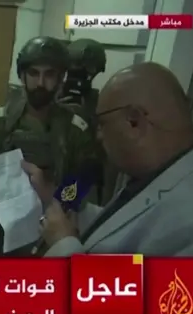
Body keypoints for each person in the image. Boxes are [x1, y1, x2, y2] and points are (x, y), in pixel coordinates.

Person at [28, 62, 193, 256]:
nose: (99, 135)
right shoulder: (164, 170)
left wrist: (63, 246)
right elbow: (123, 226)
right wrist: (58, 200)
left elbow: (135, 286)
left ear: (134, 121)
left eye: (102, 124)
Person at [0, 36, 101, 257]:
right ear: (22, 75)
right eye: (34, 74)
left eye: (49, 75)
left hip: (49, 241)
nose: (41, 83)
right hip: (0, 240)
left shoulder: (75, 130)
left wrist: (58, 196)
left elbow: (84, 181)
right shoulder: (1, 122)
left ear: (60, 78)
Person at [65, 38, 116, 205]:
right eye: (75, 71)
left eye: (86, 73)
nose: (80, 78)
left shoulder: (100, 103)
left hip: (86, 179)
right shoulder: (50, 98)